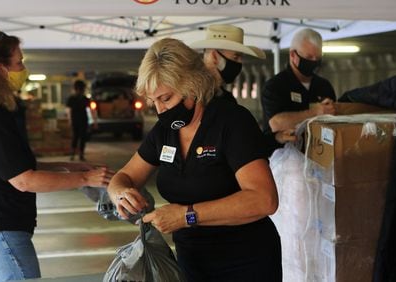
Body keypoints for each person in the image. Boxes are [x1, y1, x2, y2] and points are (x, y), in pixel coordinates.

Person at [107, 38, 282, 281]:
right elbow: (123, 177)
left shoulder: (231, 122)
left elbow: (264, 200)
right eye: (153, 102)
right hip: (192, 262)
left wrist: (186, 215)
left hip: (245, 260)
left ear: (192, 84)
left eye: (166, 98)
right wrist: (120, 194)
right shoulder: (164, 131)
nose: (160, 110)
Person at [0, 31, 113, 282]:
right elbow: (24, 180)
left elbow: (20, 167)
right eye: (18, 63)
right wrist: (85, 178)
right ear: (0, 69)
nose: (23, 68)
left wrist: (72, 168)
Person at [261, 28, 336, 155]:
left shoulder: (324, 86)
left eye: (317, 58)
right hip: (282, 160)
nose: (313, 62)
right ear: (293, 55)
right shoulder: (275, 86)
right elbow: (276, 123)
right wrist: (315, 112)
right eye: (308, 57)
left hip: (318, 155)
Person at [191, 24, 266, 103]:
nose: (240, 62)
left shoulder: (225, 97)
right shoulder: (191, 95)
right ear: (215, 57)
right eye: (235, 57)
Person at [66, 79, 96, 161]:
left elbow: (89, 111)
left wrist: (92, 121)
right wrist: (70, 120)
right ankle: (75, 154)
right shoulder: (77, 98)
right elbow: (69, 111)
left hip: (80, 120)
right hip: (79, 120)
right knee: (78, 137)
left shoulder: (81, 99)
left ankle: (78, 154)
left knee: (80, 137)